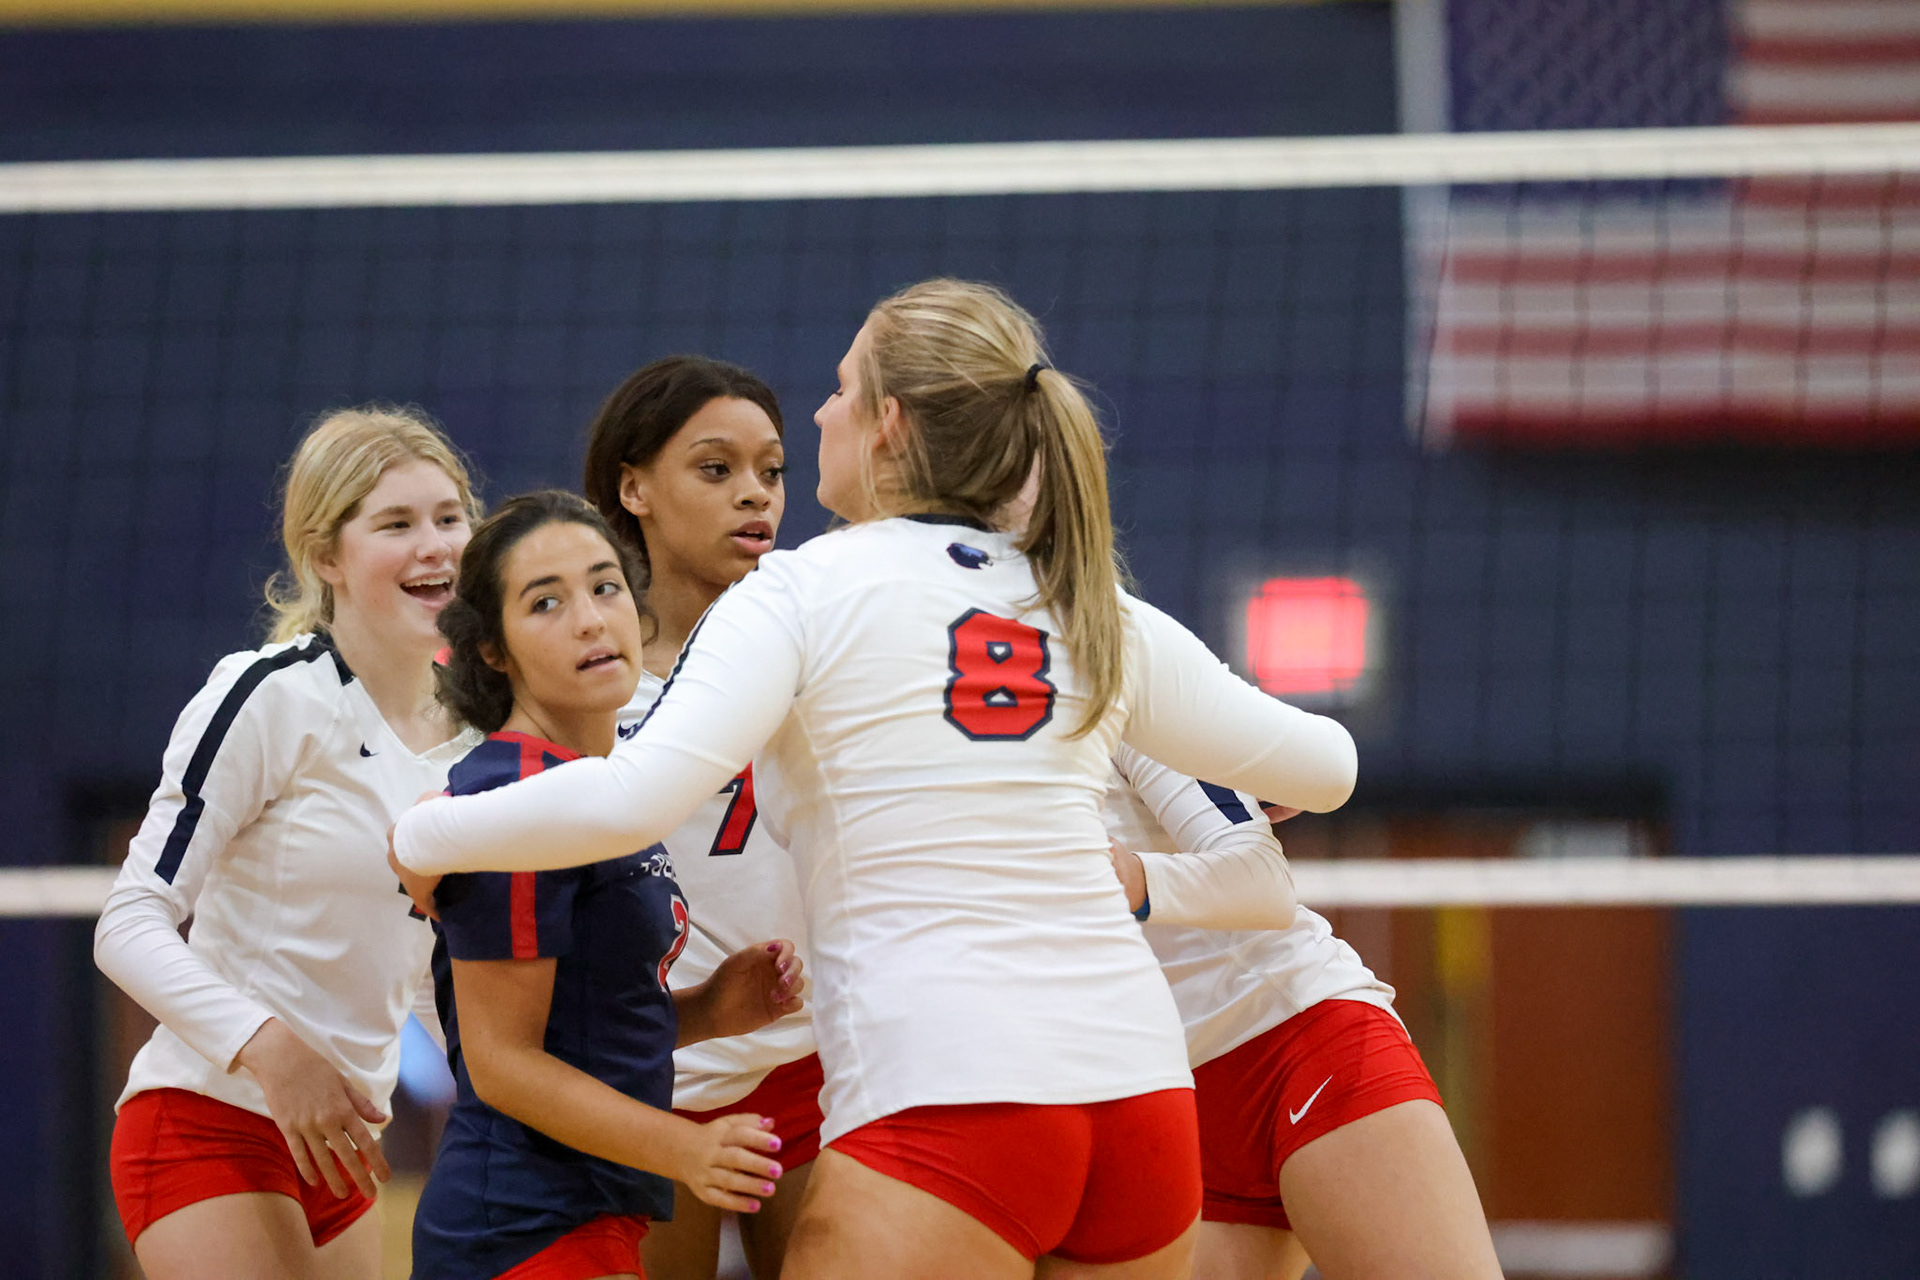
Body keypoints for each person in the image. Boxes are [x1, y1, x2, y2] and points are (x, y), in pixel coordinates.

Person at [389, 278, 1358, 1280]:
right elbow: (1327, 768)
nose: (817, 413)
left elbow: (634, 796)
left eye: (841, 389)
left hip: (952, 1097)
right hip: (1142, 1106)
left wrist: (425, 837)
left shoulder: (803, 589)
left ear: (888, 424)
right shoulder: (1084, 598)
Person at [95, 406, 482, 1280]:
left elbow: (423, 968)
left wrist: (509, 1093)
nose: (436, 545)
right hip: (208, 1117)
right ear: (325, 557)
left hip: (341, 1144)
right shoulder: (272, 696)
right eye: (397, 524)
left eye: (450, 517)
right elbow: (126, 922)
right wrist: (273, 1050)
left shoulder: (474, 740)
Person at [407, 490, 802, 1280]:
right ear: (494, 650)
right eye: (545, 603)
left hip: (590, 1215)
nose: (589, 619)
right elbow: (501, 1062)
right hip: (520, 1227)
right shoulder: (511, 793)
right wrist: (688, 1146)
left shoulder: (600, 790)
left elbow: (579, 1031)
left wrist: (705, 1013)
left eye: (605, 586)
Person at [575, 356, 822, 1280]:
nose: (754, 495)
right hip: (645, 1080)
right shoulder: (579, 666)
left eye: (772, 470)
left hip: (809, 1063)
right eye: (716, 470)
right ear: (633, 486)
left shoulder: (820, 624)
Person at [1103, 748, 1502, 1280]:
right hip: (1159, 1090)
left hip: (1293, 1037)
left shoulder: (1125, 680)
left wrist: (1137, 874)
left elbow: (1316, 771)